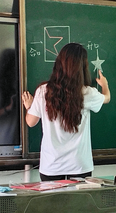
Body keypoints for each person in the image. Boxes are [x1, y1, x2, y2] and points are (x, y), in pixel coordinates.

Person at [21, 42, 110, 181]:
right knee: (79, 203)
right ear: (82, 67)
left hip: (52, 166)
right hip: (80, 165)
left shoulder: (43, 92)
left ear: (59, 64)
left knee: (53, 203)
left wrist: (30, 106)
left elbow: (31, 122)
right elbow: (107, 98)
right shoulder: (87, 93)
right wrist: (105, 85)